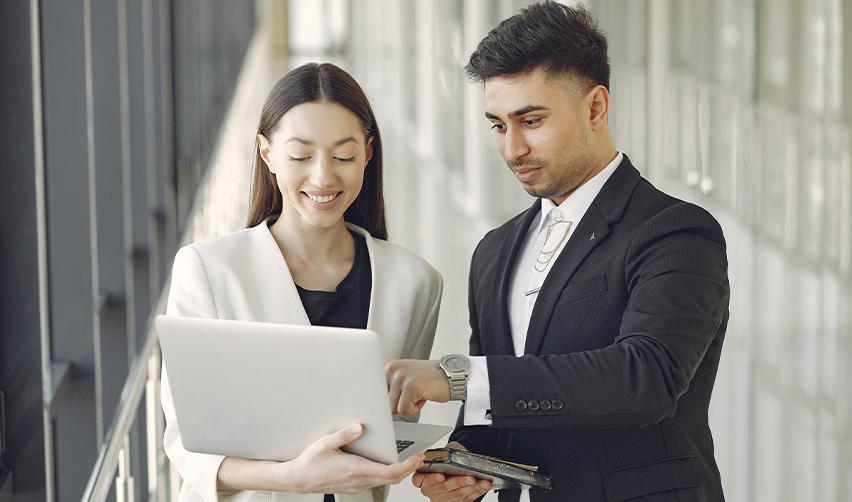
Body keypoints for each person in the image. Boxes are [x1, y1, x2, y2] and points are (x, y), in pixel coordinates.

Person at [384, 3, 730, 501]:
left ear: (595, 106)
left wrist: (455, 377)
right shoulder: (495, 251)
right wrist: (466, 461)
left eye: (531, 120)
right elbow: (496, 404)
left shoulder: (675, 232)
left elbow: (645, 377)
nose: (512, 149)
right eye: (499, 125)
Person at [162, 62, 443, 502]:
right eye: (300, 155)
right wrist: (295, 477)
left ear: (368, 154)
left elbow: (393, 433)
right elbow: (186, 445)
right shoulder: (207, 270)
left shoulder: (414, 283)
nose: (323, 177)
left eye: (344, 156)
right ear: (266, 153)